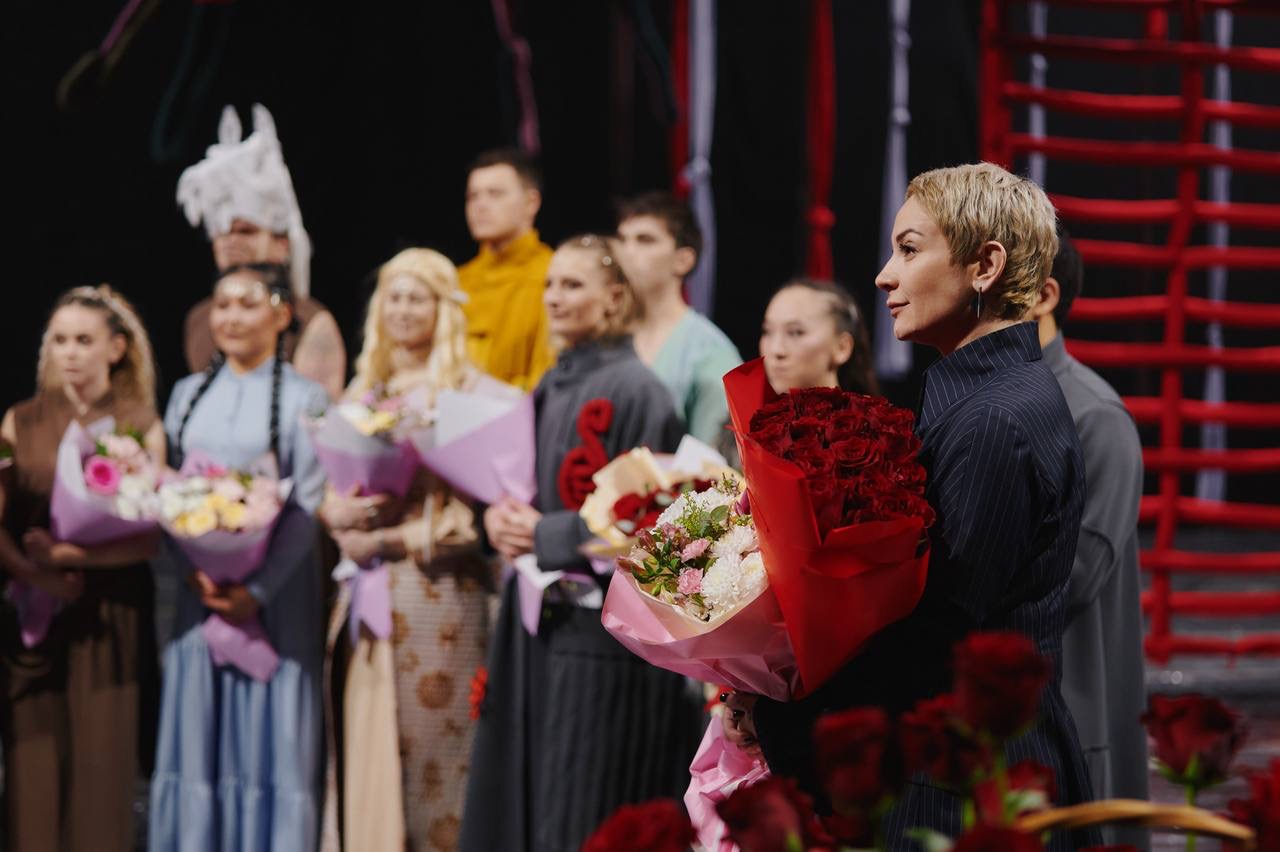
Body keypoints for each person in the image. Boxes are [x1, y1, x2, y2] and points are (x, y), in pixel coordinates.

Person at [743, 163, 1097, 851]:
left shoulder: (994, 417)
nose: (883, 276)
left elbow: (939, 638)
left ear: (985, 266)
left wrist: (783, 713)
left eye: (909, 250)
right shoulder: (994, 395)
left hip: (965, 783)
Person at [461, 235, 703, 852]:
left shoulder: (638, 391)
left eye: (572, 285)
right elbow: (520, 487)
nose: (554, 297)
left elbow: (653, 520)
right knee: (524, 802)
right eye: (550, 284)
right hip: (535, 626)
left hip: (598, 639)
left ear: (614, 298)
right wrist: (496, 523)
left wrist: (543, 534)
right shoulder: (552, 382)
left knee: (578, 808)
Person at [320, 249, 509, 852]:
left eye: (417, 297)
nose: (403, 310)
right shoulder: (364, 389)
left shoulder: (467, 395)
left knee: (436, 753)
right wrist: (334, 513)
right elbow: (334, 486)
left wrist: (382, 538)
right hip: (365, 594)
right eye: (394, 297)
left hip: (439, 597)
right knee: (367, 743)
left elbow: (467, 522)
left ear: (442, 309)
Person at [149, 264, 329, 852]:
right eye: (221, 304)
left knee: (274, 742)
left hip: (277, 603)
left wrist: (259, 588)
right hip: (201, 599)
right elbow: (170, 493)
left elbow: (305, 507)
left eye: (246, 304)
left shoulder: (307, 399)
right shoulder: (185, 395)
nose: (229, 317)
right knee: (198, 737)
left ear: (281, 315)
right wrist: (194, 571)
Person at [0, 286, 163, 852]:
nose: (69, 352)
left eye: (84, 340)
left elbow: (151, 535)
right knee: (33, 768)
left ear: (115, 349)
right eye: (60, 339)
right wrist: (36, 573)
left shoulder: (139, 424)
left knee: (102, 768)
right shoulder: (19, 420)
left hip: (109, 617)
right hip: (33, 619)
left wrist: (76, 558)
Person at [1027, 226, 1149, 848]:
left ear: (1044, 295)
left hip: (1071, 714)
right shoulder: (980, 400)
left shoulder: (1095, 417)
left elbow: (1072, 580)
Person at [177, 103, 346, 399]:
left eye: (246, 231)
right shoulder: (201, 317)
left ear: (282, 244)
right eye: (221, 233)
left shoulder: (309, 320)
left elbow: (320, 414)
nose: (230, 241)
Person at [613, 192, 741, 445]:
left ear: (683, 260)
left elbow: (711, 461)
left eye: (645, 240)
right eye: (622, 239)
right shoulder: (604, 336)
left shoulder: (710, 353)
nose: (626, 252)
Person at [457, 148, 555, 391]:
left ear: (531, 202)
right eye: (473, 196)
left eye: (495, 194)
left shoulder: (552, 277)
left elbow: (550, 379)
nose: (480, 205)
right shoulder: (457, 281)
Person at [759, 278, 879, 396]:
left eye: (796, 332)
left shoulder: (869, 409)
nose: (776, 350)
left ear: (842, 347)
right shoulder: (753, 408)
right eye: (767, 332)